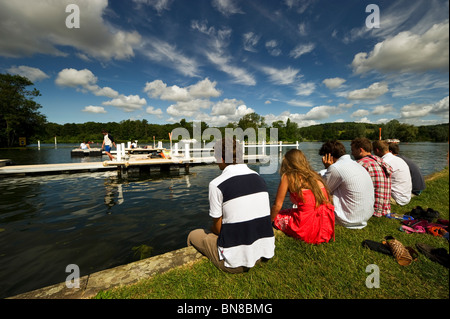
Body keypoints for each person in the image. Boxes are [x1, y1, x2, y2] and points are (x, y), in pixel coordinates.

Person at [187, 137, 275, 273]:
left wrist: (213, 229)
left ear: (222, 159)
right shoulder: (259, 178)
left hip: (236, 262)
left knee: (194, 234)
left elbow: (217, 229)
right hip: (264, 252)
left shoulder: (217, 184)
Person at [271, 149, 335, 244]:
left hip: (306, 228)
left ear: (287, 163)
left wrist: (269, 221)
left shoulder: (288, 177)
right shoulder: (314, 175)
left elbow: (277, 205)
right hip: (325, 226)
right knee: (288, 211)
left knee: (277, 217)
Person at [319, 140, 374, 229]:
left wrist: (327, 167)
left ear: (328, 156)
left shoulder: (335, 168)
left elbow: (323, 190)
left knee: (316, 192)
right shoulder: (355, 164)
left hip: (349, 219)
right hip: (365, 216)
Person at [351, 138, 393, 217]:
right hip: (385, 208)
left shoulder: (361, 164)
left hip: (373, 211)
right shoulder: (380, 161)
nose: (352, 153)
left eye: (353, 150)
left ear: (360, 150)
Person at [373, 140, 412, 206]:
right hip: (406, 196)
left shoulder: (384, 162)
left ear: (377, 150)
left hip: (397, 199)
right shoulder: (398, 159)